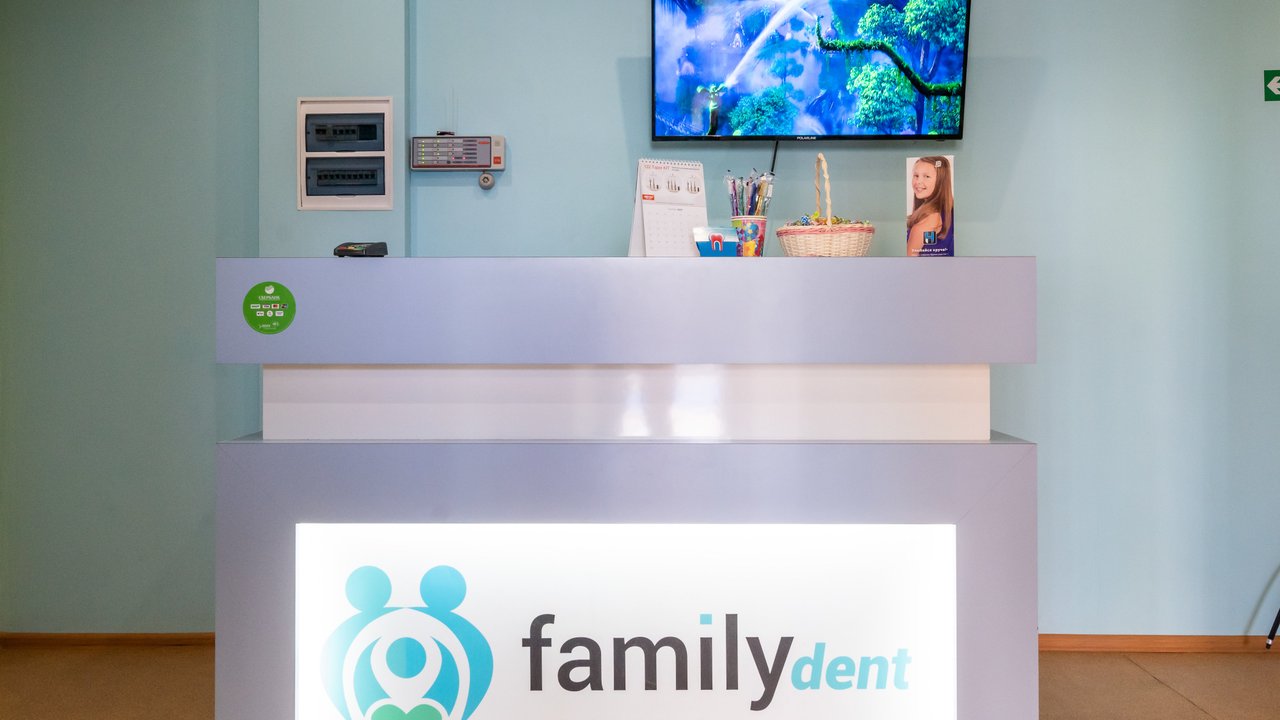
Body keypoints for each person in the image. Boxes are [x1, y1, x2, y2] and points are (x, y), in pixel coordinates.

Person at [906, 156, 953, 256]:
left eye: (926, 176)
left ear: (940, 181)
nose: (918, 182)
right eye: (916, 175)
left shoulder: (929, 220)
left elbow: (909, 259)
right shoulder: (949, 210)